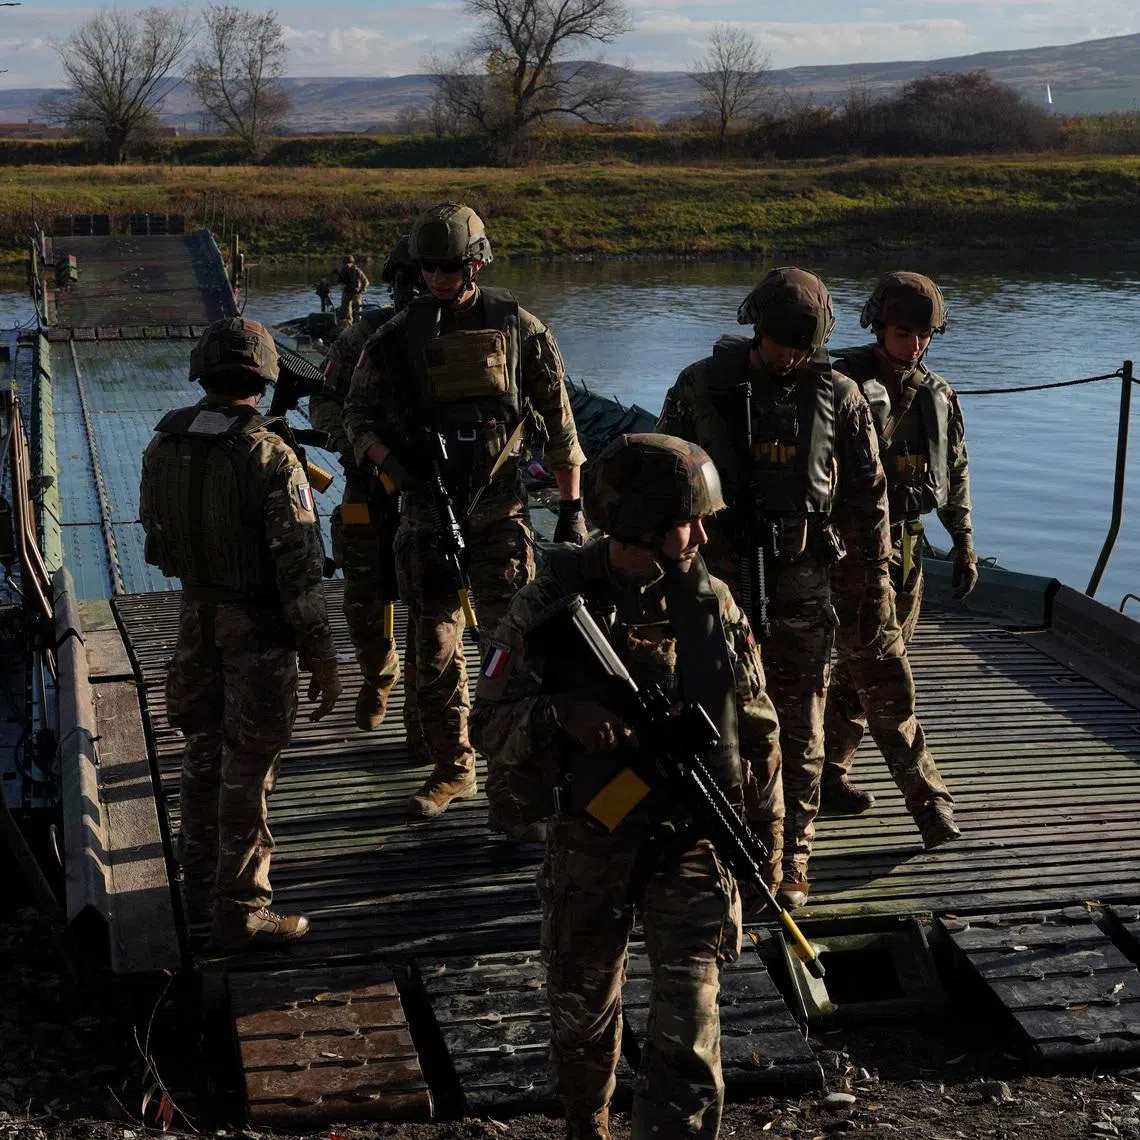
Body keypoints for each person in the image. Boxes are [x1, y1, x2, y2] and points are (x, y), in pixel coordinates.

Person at [471, 433, 782, 1140]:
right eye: (686, 520)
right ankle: (588, 1124)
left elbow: (759, 732)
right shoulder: (548, 602)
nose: (702, 534)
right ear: (638, 519)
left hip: (692, 836)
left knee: (692, 1027)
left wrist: (771, 844)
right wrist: (560, 715)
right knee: (582, 1019)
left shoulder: (714, 603)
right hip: (592, 832)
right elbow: (486, 724)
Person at [657, 267, 896, 909]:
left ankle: (791, 857)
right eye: (778, 343)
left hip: (802, 587)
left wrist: (873, 584)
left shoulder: (840, 395)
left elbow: (868, 500)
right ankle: (714, 844)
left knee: (799, 727)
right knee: (707, 719)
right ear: (754, 328)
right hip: (712, 584)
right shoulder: (699, 387)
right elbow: (662, 481)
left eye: (802, 346)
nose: (789, 357)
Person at [344, 202, 587, 820]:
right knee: (435, 651)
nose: (437, 278)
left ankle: (513, 785)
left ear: (475, 262)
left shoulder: (519, 326)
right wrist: (393, 469)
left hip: (501, 515)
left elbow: (559, 421)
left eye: (449, 266)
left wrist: (570, 508)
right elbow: (356, 416)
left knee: (510, 653)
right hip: (426, 513)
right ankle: (454, 767)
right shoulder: (396, 335)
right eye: (428, 267)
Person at [139, 317, 342, 950]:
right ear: (264, 377)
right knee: (249, 766)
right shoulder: (268, 454)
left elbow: (154, 544)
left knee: (202, 754)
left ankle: (198, 885)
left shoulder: (163, 444)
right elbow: (300, 570)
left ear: (203, 372)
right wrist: (322, 655)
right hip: (255, 628)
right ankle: (242, 907)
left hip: (194, 619)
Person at [821, 272, 973, 824]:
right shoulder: (838, 386)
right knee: (884, 672)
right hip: (852, 553)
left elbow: (954, 470)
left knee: (859, 673)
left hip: (908, 549)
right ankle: (929, 801)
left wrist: (963, 542)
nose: (915, 345)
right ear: (880, 326)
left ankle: (827, 773)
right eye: (905, 332)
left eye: (925, 334)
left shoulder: (937, 394)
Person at [309, 235, 421, 735]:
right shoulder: (361, 338)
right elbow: (324, 400)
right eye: (405, 280)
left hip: (427, 488)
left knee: (432, 598)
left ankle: (425, 706)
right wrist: (359, 445)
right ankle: (378, 677)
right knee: (363, 593)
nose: (412, 290)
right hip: (366, 487)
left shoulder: (456, 336)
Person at [334, 255, 369, 324]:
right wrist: (339, 278)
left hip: (356, 291)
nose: (346, 264)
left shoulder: (357, 270)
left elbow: (366, 282)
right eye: (345, 263)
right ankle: (348, 321)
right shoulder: (343, 270)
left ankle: (358, 321)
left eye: (348, 263)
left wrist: (361, 290)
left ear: (352, 263)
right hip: (347, 290)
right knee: (345, 306)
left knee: (357, 305)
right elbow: (339, 281)